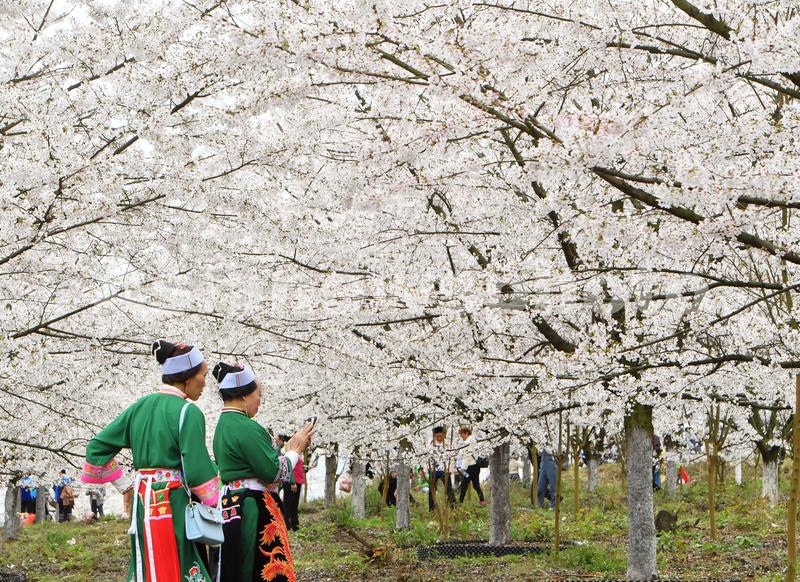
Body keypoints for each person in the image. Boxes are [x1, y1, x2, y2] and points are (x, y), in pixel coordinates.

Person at [81, 340, 220, 582]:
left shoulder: (139, 407)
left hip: (142, 500)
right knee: (179, 559)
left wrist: (125, 485)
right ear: (187, 377)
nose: (205, 383)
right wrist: (218, 501)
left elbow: (96, 448)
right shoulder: (188, 412)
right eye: (203, 375)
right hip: (172, 501)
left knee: (147, 561)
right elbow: (198, 471)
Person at [212, 362, 312, 582]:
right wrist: (294, 451)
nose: (260, 400)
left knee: (235, 565)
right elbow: (273, 472)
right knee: (255, 567)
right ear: (243, 395)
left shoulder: (223, 425)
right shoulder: (247, 427)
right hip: (252, 506)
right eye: (258, 394)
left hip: (231, 503)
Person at [427, 427, 456, 512]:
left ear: (444, 435)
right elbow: (427, 458)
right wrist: (429, 469)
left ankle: (454, 507)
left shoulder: (448, 444)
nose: (439, 438)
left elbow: (452, 458)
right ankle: (432, 509)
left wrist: (450, 470)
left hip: (445, 470)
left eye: (441, 436)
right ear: (434, 436)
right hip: (434, 471)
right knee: (432, 490)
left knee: (449, 490)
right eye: (437, 436)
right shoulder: (430, 444)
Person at [456, 426, 485, 505]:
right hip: (476, 466)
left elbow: (467, 457)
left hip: (469, 468)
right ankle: (482, 501)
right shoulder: (475, 440)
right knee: (476, 485)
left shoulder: (467, 443)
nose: (461, 436)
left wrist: (462, 469)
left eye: (462, 434)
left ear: (466, 433)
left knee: (464, 484)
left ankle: (460, 503)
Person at [283, 454, 305, 531]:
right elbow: (289, 468)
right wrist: (292, 482)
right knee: (288, 504)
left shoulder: (297, 455)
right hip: (292, 483)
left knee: (294, 505)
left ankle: (294, 524)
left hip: (297, 482)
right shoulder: (293, 454)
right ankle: (286, 524)